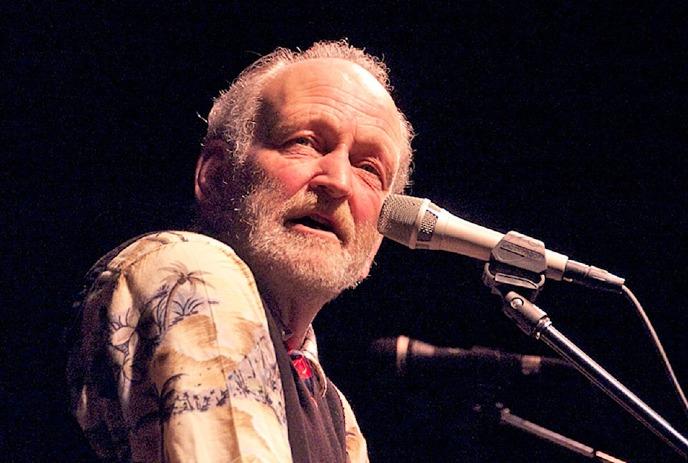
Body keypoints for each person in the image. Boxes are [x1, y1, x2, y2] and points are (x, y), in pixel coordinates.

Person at [67, 40, 414, 462]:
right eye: (305, 142)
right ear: (216, 175)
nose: (338, 181)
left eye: (369, 168)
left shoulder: (337, 416)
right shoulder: (193, 272)